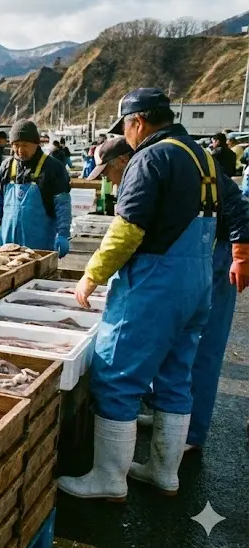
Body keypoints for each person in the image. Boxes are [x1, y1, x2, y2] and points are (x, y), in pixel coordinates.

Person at [59, 88, 249, 501]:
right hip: (197, 281)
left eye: (125, 127)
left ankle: (108, 479)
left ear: (137, 122)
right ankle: (165, 473)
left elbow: (128, 228)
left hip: (156, 282)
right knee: (175, 376)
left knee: (117, 376)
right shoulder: (200, 154)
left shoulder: (151, 156)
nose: (126, 134)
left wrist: (91, 276)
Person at [0, 120, 72, 256]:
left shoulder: (53, 167)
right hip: (7, 245)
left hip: (40, 245)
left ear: (36, 144)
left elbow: (62, 205)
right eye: (16, 145)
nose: (20, 150)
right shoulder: (6, 167)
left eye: (25, 145)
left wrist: (63, 234)